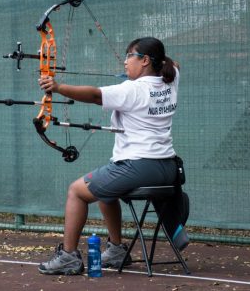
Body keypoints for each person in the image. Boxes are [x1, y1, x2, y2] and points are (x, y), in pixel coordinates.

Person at [38, 36, 185, 276]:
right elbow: (174, 64)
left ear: (146, 60)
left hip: (137, 166)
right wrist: (153, 64)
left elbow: (95, 95)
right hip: (167, 168)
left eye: (130, 56)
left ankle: (67, 256)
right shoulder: (171, 80)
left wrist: (57, 87)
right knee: (105, 189)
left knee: (76, 191)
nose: (125, 62)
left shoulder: (132, 89)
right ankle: (117, 250)